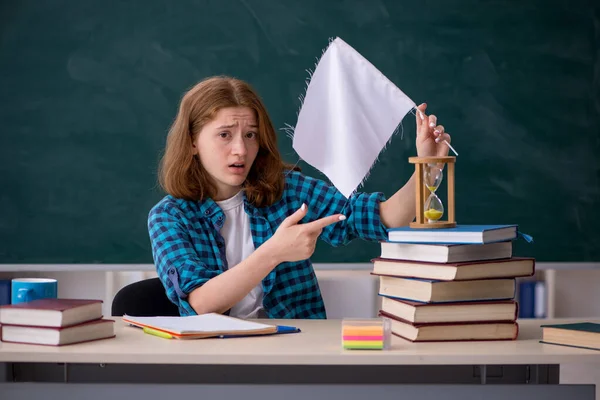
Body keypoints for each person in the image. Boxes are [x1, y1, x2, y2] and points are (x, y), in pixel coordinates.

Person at [148, 75, 451, 318]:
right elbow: (200, 303)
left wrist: (429, 167)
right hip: (216, 355)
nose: (240, 149)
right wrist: (274, 252)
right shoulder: (170, 217)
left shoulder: (287, 190)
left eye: (250, 135)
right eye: (225, 135)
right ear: (192, 143)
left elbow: (379, 217)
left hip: (294, 349)